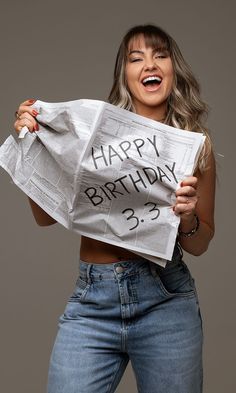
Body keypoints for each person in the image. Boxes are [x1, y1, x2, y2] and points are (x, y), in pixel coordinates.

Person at [13, 24, 215, 393]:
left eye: (160, 55)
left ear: (173, 68)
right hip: (93, 303)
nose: (148, 65)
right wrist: (34, 147)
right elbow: (45, 216)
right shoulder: (94, 137)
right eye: (135, 58)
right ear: (125, 74)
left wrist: (187, 215)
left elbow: (200, 242)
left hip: (166, 301)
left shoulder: (194, 147)